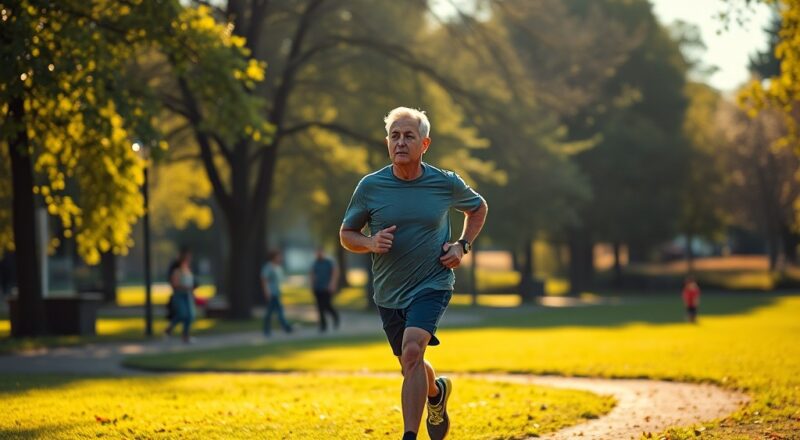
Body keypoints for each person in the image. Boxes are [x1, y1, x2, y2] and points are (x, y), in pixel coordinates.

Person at [340, 107, 488, 440]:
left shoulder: (445, 182)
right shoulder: (370, 186)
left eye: (409, 136)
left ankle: (409, 435)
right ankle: (435, 394)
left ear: (425, 143)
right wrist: (370, 241)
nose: (401, 142)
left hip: (432, 282)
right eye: (395, 136)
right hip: (389, 291)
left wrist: (462, 245)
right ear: (387, 142)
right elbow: (346, 234)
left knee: (412, 350)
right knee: (410, 363)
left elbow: (478, 208)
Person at [164, 248, 196, 343]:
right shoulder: (176, 270)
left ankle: (185, 335)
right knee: (182, 314)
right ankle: (169, 328)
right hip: (179, 295)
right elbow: (175, 284)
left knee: (190, 316)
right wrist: (186, 287)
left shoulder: (187, 269)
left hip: (188, 295)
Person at [261, 250, 293, 336]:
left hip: (277, 292)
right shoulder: (268, 267)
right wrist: (267, 291)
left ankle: (284, 327)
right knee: (274, 312)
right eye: (278, 256)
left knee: (276, 311)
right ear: (274, 257)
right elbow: (264, 280)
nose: (280, 258)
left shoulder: (277, 267)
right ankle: (285, 327)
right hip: (272, 292)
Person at [310, 247, 340, 332]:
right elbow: (312, 275)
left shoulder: (328, 262)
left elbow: (335, 273)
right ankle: (323, 326)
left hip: (327, 288)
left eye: (320, 252)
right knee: (320, 308)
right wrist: (312, 285)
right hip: (318, 288)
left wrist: (332, 284)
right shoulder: (315, 263)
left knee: (327, 305)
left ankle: (335, 316)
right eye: (317, 252)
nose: (319, 254)